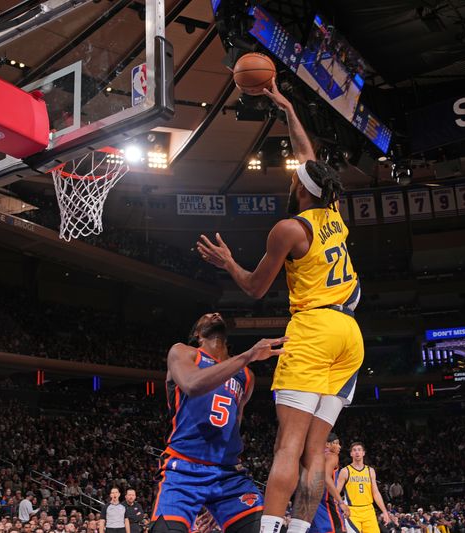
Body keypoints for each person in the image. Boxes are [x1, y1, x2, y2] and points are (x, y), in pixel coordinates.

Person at [197, 78, 363, 533]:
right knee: (315, 451)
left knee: (288, 446)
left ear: (301, 189)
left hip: (314, 331)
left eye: (294, 176)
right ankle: (301, 529)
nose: (293, 174)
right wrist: (287, 106)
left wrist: (229, 262)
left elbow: (253, 288)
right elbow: (308, 157)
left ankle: (272, 528)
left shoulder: (288, 230)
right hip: (350, 336)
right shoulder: (332, 215)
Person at [151, 312, 286, 533]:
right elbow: (192, 385)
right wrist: (249, 354)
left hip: (228, 474)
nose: (214, 314)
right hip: (183, 468)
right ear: (197, 334)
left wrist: (220, 506)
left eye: (216, 314)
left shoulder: (246, 376)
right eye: (206, 316)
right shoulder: (184, 352)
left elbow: (234, 426)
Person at [336, 443, 389, 533]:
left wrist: (384, 511)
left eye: (359, 450)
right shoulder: (345, 471)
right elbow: (336, 492)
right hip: (352, 511)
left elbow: (376, 493)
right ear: (351, 454)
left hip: (369, 510)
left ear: (363, 453)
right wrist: (341, 505)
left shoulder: (370, 471)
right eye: (354, 450)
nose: (357, 452)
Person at [310, 433, 349, 533]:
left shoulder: (314, 456)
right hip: (326, 502)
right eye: (336, 443)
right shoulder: (332, 456)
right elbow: (326, 477)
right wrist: (341, 502)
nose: (339, 446)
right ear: (327, 444)